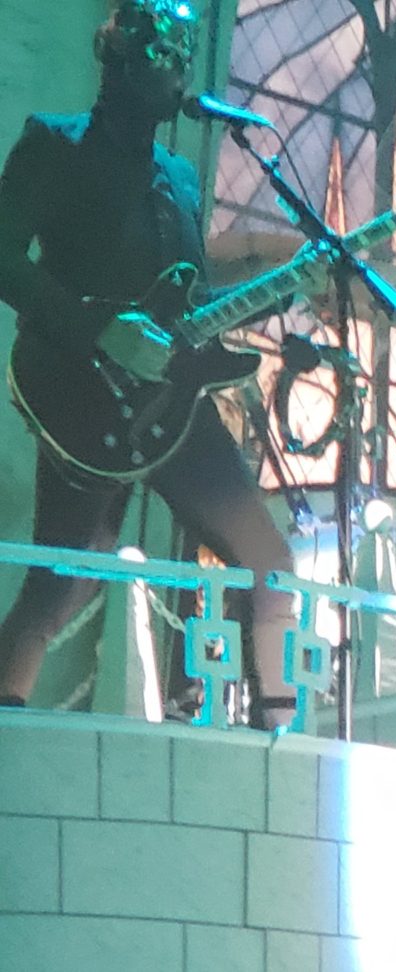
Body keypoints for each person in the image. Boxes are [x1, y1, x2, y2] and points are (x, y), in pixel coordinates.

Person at [0, 0, 325, 726]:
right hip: (83, 392)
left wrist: (280, 288)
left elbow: (189, 302)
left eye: (182, 58)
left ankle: (275, 738)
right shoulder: (53, 143)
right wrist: (100, 331)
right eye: (159, 54)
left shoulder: (178, 175)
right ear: (115, 57)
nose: (175, 72)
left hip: (172, 404)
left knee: (270, 561)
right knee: (60, 586)